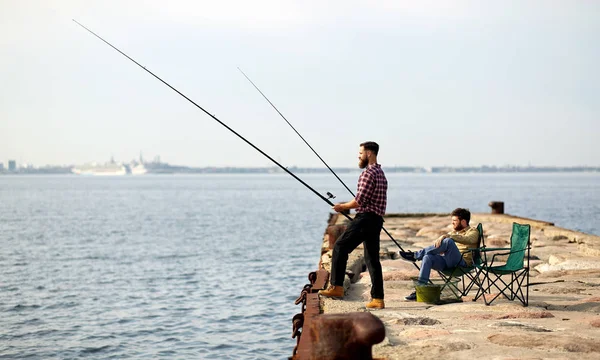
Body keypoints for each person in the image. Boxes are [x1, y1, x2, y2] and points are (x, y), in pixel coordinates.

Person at [318, 141, 388, 309]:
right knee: (372, 259)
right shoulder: (381, 173)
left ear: (369, 153)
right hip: (376, 220)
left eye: (360, 153)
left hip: (365, 219)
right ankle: (378, 299)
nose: (358, 156)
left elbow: (360, 201)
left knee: (340, 247)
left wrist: (342, 207)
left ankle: (336, 287)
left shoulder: (368, 174)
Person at [399, 208, 480, 301]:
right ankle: (420, 290)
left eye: (454, 221)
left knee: (448, 241)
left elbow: (470, 240)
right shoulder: (454, 233)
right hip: (447, 261)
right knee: (427, 257)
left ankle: (415, 255)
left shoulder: (473, 231)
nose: (452, 223)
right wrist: (441, 247)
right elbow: (440, 245)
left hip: (462, 263)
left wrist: (449, 237)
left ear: (463, 221)